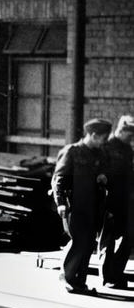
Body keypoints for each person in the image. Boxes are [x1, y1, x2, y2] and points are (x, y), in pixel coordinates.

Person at [51, 118, 112, 294]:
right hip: (75, 205)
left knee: (87, 244)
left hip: (93, 206)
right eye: (102, 138)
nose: (104, 142)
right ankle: (68, 277)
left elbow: (104, 172)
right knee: (79, 242)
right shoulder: (72, 151)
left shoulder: (98, 154)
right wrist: (61, 203)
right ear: (93, 135)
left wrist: (103, 177)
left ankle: (80, 281)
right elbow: (59, 179)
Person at [100, 114, 134, 289]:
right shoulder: (106, 147)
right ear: (121, 130)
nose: (131, 138)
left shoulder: (128, 150)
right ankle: (107, 277)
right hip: (111, 200)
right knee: (109, 240)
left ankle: (117, 273)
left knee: (128, 238)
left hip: (126, 201)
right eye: (129, 134)